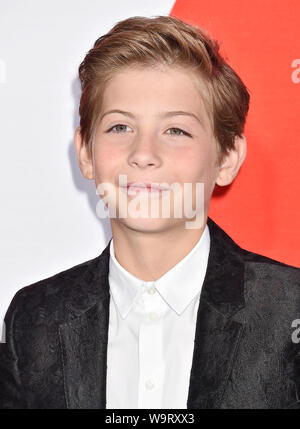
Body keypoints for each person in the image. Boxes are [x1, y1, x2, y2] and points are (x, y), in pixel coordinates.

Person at [0, 15, 299, 410]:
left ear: (227, 157)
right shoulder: (33, 319)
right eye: (120, 127)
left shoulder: (289, 312)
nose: (143, 154)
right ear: (86, 153)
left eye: (176, 131)